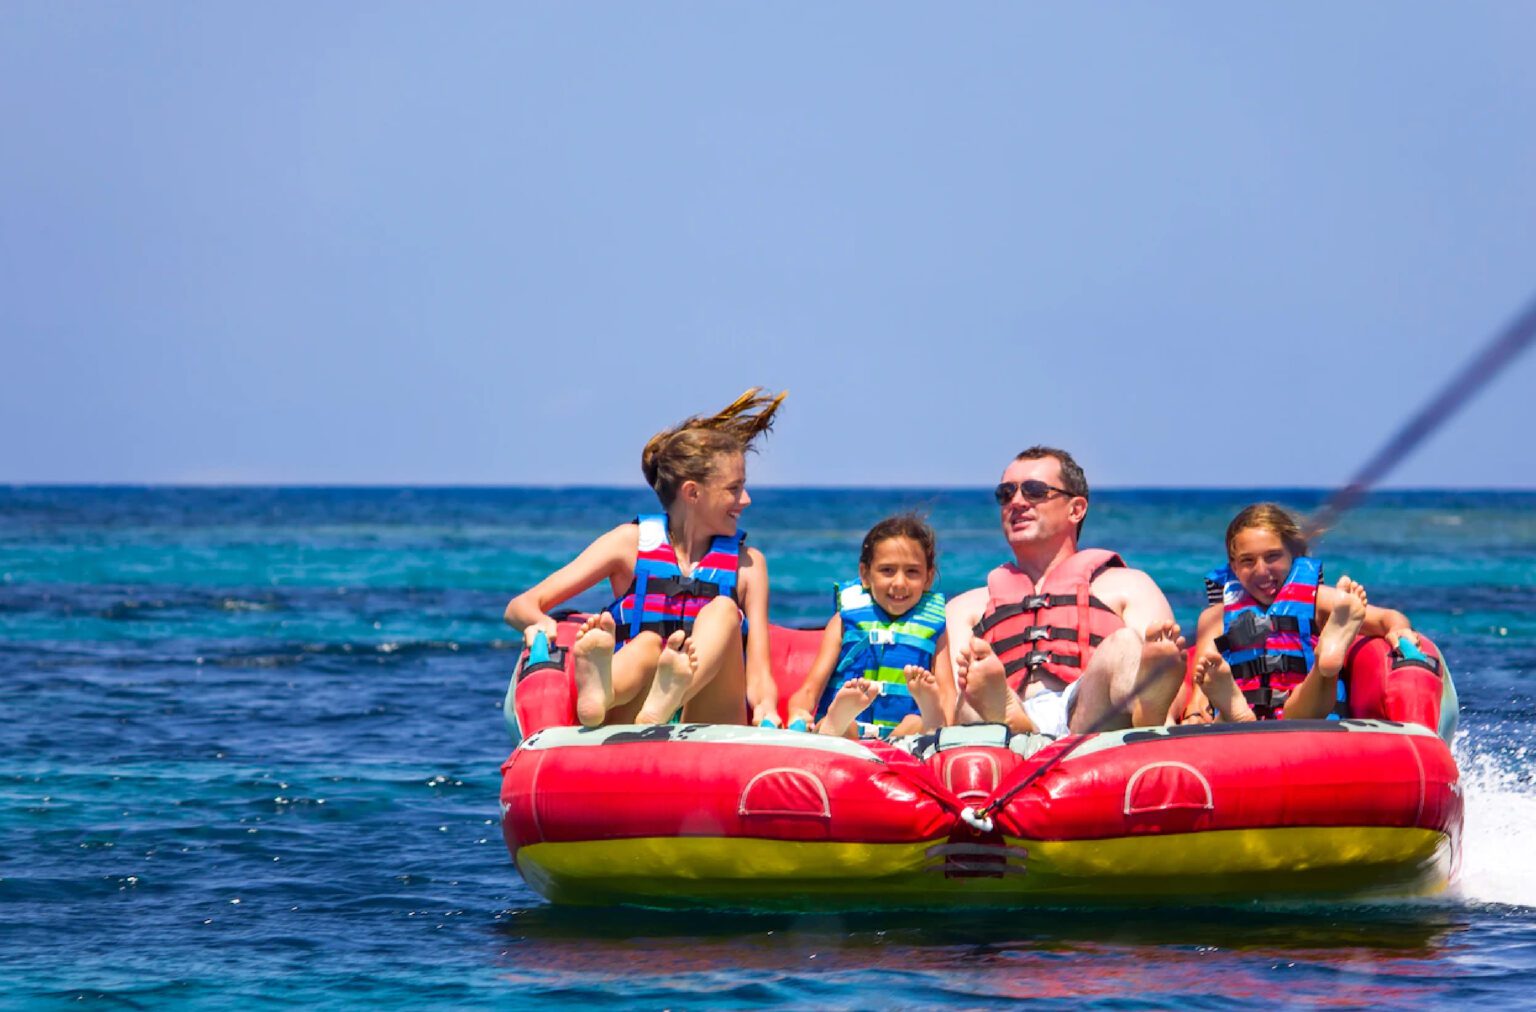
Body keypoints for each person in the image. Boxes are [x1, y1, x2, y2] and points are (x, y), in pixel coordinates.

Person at [503, 389, 785, 728]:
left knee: (724, 611)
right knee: (647, 643)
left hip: (707, 716)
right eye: (734, 488)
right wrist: (543, 624)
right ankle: (600, 693)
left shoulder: (748, 565)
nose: (747, 499)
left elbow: (758, 675)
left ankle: (673, 692)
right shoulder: (629, 543)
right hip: (634, 710)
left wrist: (767, 708)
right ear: (693, 492)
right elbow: (521, 605)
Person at [946, 446, 1187, 737]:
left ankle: (1146, 710)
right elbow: (950, 707)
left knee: (1123, 645)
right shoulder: (966, 609)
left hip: (1088, 716)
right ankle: (1012, 718)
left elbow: (1164, 681)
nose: (1017, 501)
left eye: (1034, 491)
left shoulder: (1128, 585)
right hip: (1005, 718)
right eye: (1006, 493)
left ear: (1076, 509)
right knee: (971, 692)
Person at [1178, 502, 1418, 723]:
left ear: (1294, 555)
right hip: (1240, 726)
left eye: (1272, 556)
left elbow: (1389, 618)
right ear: (1234, 567)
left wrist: (1399, 630)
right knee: (1222, 699)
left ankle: (1327, 655)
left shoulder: (1319, 600)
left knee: (1309, 693)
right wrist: (1195, 714)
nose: (1261, 571)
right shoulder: (1214, 618)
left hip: (1303, 718)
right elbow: (1203, 685)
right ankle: (1234, 709)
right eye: (1248, 561)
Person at [785, 514, 951, 739]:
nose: (899, 583)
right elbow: (809, 689)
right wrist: (799, 712)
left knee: (915, 722)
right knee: (846, 725)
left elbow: (947, 692)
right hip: (851, 732)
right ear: (865, 574)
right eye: (887, 570)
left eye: (912, 572)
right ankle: (837, 720)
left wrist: (947, 723)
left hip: (903, 734)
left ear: (928, 578)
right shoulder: (844, 620)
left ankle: (926, 720)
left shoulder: (935, 627)